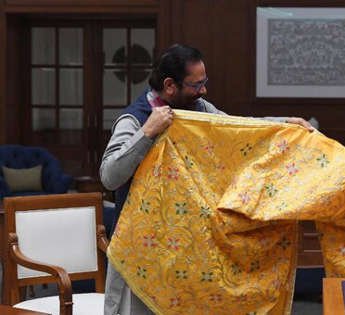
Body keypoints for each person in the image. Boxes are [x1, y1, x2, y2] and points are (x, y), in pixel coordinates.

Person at [100, 44, 313, 314]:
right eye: (196, 84)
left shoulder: (199, 109)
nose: (203, 91)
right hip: (142, 254)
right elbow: (109, 176)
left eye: (205, 82)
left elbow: (239, 130)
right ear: (169, 85)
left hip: (187, 251)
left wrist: (285, 124)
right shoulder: (134, 119)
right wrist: (148, 132)